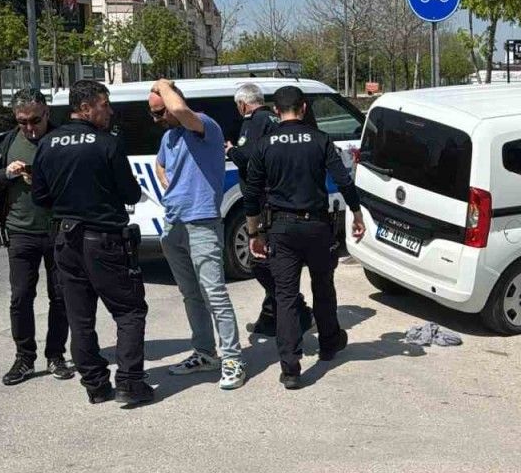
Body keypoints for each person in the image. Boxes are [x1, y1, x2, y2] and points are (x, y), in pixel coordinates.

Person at [31, 80, 153, 407]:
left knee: (80, 317)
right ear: (85, 108)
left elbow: (40, 197)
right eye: (104, 105)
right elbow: (130, 193)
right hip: (105, 240)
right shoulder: (106, 143)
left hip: (65, 240)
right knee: (129, 310)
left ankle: (96, 386)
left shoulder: (47, 143)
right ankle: (129, 383)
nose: (109, 111)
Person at [243, 85, 365, 390]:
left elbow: (252, 195)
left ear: (275, 111)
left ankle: (290, 368)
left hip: (281, 228)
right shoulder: (320, 140)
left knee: (285, 296)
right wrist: (357, 213)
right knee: (323, 286)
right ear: (304, 108)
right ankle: (329, 343)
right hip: (317, 226)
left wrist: (254, 232)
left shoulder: (265, 144)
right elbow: (343, 180)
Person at [149, 80, 246, 390]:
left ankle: (233, 359)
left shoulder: (204, 126)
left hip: (202, 222)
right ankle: (205, 352)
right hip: (174, 223)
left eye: (160, 111)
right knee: (190, 294)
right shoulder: (169, 137)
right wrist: (167, 183)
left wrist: (162, 84)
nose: (157, 118)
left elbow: (179, 109)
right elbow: (159, 164)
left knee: (214, 294)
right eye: (152, 114)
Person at [0, 89, 73, 386]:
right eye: (22, 121)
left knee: (61, 297)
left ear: (47, 113)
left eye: (35, 120)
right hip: (20, 233)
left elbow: (79, 179)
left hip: (58, 231)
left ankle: (56, 355)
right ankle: (24, 358)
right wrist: (6, 174)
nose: (29, 127)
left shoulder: (63, 139)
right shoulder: (3, 142)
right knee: (20, 298)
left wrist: (45, 179)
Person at [224, 83, 312, 338]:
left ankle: (298, 311)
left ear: (243, 104)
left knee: (262, 261)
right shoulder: (274, 119)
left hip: (264, 201)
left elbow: (249, 158)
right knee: (272, 261)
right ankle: (271, 317)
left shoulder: (255, 121)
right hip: (281, 198)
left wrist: (231, 151)